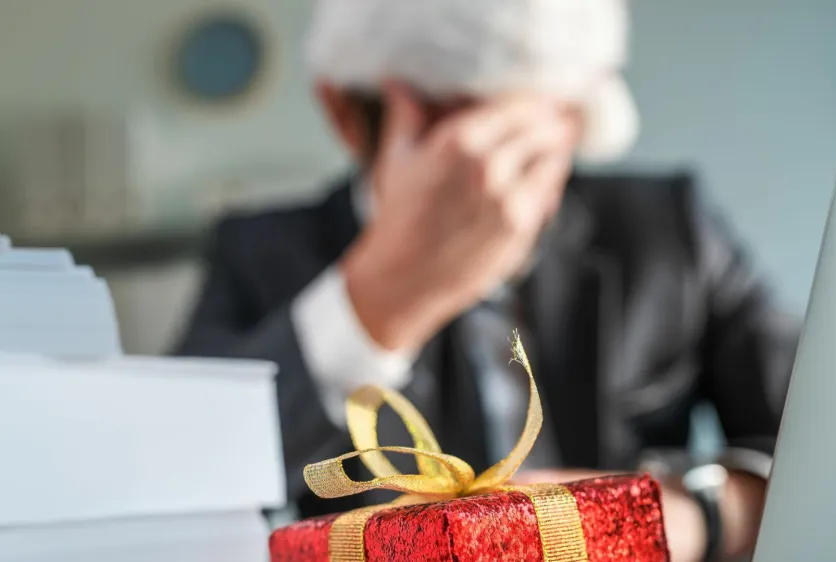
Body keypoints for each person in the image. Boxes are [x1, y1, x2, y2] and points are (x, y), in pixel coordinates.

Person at [174, 0, 800, 560]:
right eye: (470, 146)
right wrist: (379, 297)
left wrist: (686, 515)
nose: (499, 194)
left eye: (534, 144)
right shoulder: (259, 253)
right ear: (345, 112)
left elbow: (833, 451)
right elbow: (178, 482)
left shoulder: (670, 229)